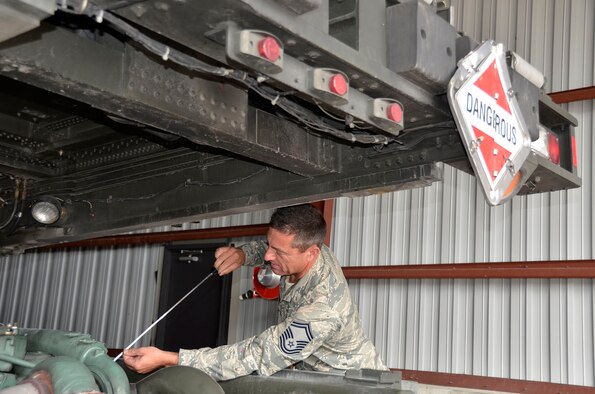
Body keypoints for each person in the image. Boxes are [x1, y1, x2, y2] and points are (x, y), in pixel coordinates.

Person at [123, 204, 387, 381]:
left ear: (312, 253)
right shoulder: (307, 248)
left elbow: (257, 354)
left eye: (279, 253)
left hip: (348, 380)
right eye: (270, 245)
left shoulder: (324, 310)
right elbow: (269, 248)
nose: (269, 255)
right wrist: (242, 254)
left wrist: (172, 359)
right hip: (311, 368)